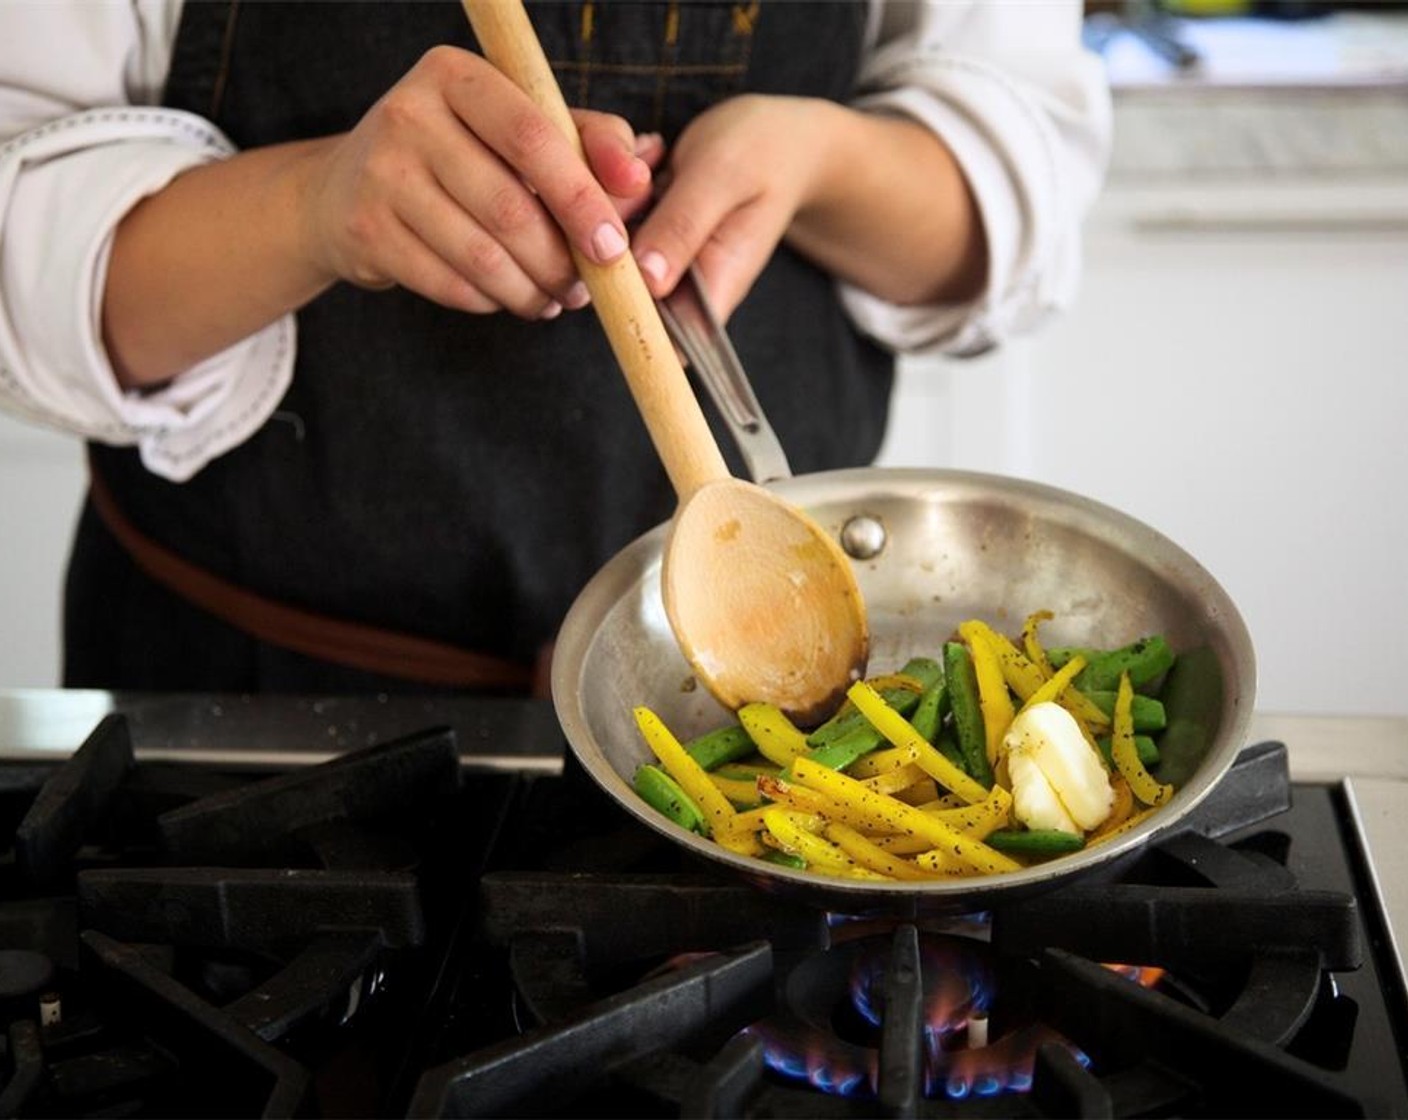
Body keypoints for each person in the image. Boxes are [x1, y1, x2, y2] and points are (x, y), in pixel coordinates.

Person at [0, 1, 1110, 696]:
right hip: (244, 720)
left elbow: (1012, 194)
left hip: (742, 740)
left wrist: (818, 161)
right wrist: (313, 208)